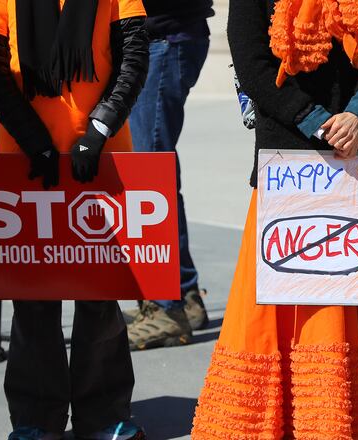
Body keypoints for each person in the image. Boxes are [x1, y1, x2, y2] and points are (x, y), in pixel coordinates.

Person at [190, 0, 358, 438]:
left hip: (357, 160)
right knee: (283, 303)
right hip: (290, 164)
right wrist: (320, 123)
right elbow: (254, 69)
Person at [0, 0, 149, 438]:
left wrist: (100, 128)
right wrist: (33, 138)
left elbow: (134, 54)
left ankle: (104, 416)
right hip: (26, 162)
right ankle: (35, 419)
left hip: (102, 158)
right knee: (31, 301)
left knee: (101, 298)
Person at [124, 0, 214, 350]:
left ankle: (166, 307)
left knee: (149, 177)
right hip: (154, 37)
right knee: (150, 173)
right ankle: (184, 295)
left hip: (162, 36)